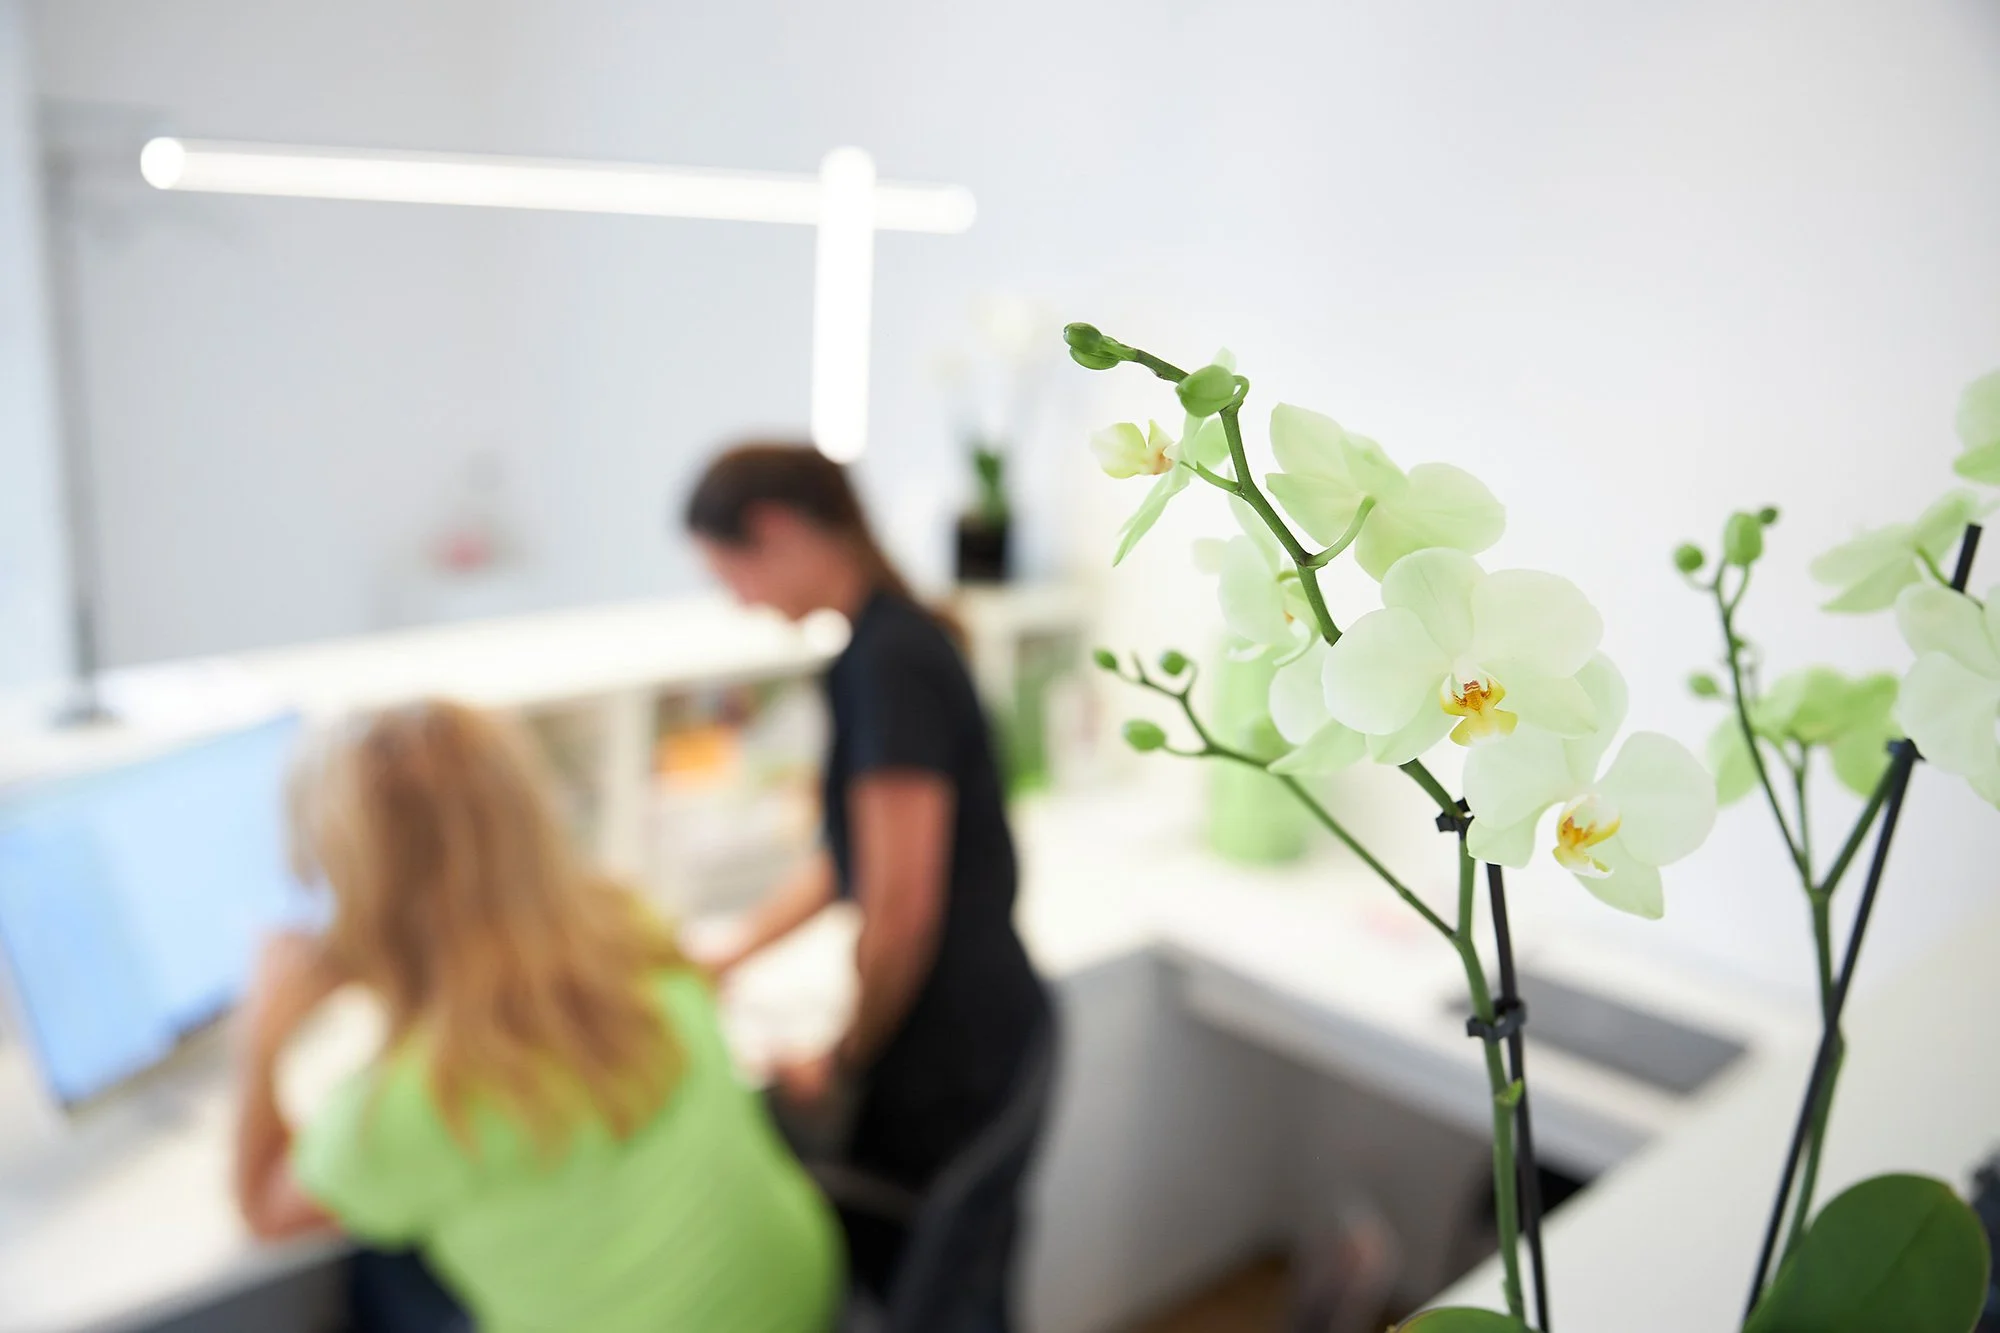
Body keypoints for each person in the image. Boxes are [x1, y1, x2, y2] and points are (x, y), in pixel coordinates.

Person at [231, 700, 842, 1333]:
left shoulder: (407, 1108)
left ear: (352, 895)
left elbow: (265, 1209)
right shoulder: (628, 928)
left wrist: (262, 1034)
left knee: (373, 1285)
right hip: (799, 1293)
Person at [684, 443, 1053, 1300]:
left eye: (729, 572)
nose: (738, 600)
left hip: (957, 1054)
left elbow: (902, 905)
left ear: (774, 531)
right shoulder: (887, 642)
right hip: (994, 1027)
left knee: (937, 1301)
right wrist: (730, 952)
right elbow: (852, 855)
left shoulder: (888, 664)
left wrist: (845, 1057)